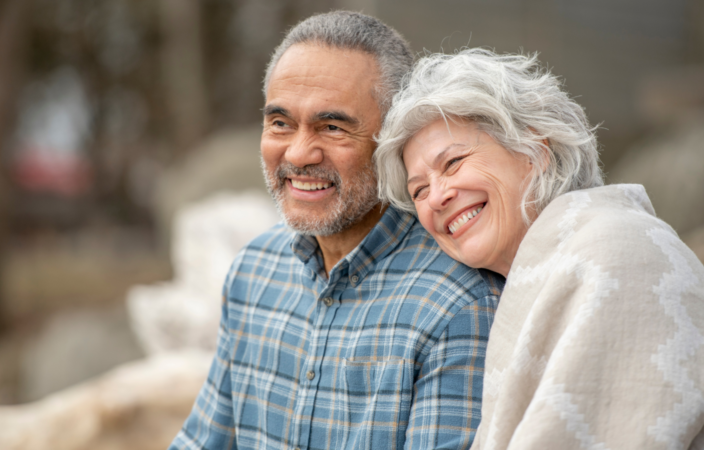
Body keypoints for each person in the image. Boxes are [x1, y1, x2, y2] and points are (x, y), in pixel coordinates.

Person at [169, 13, 505, 450]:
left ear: (393, 141)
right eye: (280, 123)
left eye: (332, 127)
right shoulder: (253, 270)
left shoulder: (458, 303)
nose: (299, 152)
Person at [375, 48, 704, 449]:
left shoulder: (616, 251)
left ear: (535, 152)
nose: (437, 197)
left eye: (454, 162)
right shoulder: (534, 272)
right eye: (419, 190)